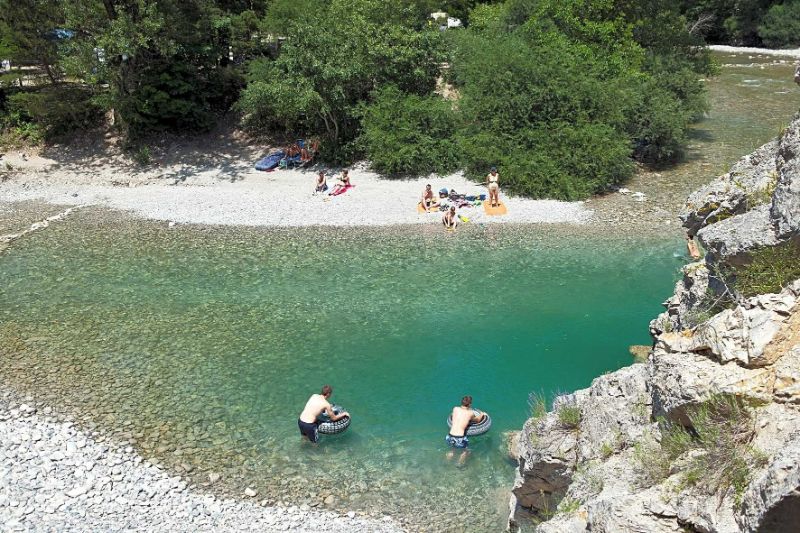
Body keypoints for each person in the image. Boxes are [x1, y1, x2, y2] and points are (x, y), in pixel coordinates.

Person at [445, 395, 486, 463]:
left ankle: (446, 464)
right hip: (459, 438)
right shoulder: (470, 413)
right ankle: (459, 466)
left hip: (450, 436)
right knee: (465, 451)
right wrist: (482, 414)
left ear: (461, 402)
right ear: (470, 404)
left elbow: (453, 415)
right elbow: (478, 420)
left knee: (452, 450)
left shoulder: (455, 409)